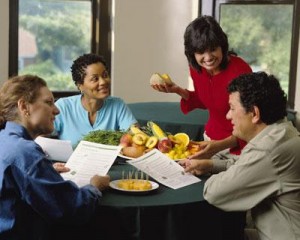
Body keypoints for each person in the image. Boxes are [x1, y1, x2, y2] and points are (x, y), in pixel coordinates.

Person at [183, 72, 300, 240]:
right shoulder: (283, 131)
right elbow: (251, 165)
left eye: (231, 108)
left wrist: (222, 173)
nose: (228, 116)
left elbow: (215, 193)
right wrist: (211, 165)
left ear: (255, 113)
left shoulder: (266, 150)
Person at [0, 75, 110, 239]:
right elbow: (73, 209)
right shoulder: (26, 153)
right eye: (49, 102)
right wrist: (95, 187)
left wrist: (45, 170)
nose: (57, 110)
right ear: (24, 107)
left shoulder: (5, 139)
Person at [151, 15, 252, 168]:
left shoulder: (240, 71)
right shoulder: (197, 69)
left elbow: (250, 124)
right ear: (192, 54)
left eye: (213, 49)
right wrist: (177, 90)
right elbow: (205, 99)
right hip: (210, 140)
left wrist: (218, 145)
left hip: (238, 148)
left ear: (222, 46)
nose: (208, 57)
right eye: (201, 52)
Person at [54, 53, 137, 148]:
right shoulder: (63, 107)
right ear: (80, 85)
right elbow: (41, 138)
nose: (103, 82)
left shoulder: (117, 105)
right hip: (68, 162)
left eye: (105, 75)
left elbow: (135, 137)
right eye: (95, 79)